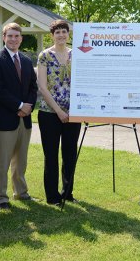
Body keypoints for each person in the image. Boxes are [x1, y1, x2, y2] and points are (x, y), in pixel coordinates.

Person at [0, 22, 38, 209]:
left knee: (21, 160)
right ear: (4, 37)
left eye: (17, 36)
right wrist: (19, 105)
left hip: (25, 119)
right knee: (2, 162)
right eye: (10, 36)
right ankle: (1, 197)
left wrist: (29, 106)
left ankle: (21, 192)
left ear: (21, 39)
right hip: (4, 119)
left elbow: (33, 86)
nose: (13, 39)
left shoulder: (26, 60)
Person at [37, 20, 81, 206]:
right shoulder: (45, 56)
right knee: (51, 155)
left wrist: (74, 110)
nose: (61, 35)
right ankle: (52, 196)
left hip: (73, 114)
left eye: (64, 31)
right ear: (52, 35)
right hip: (49, 113)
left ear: (68, 34)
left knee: (70, 154)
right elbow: (42, 86)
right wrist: (58, 111)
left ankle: (67, 192)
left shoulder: (77, 55)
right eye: (57, 32)